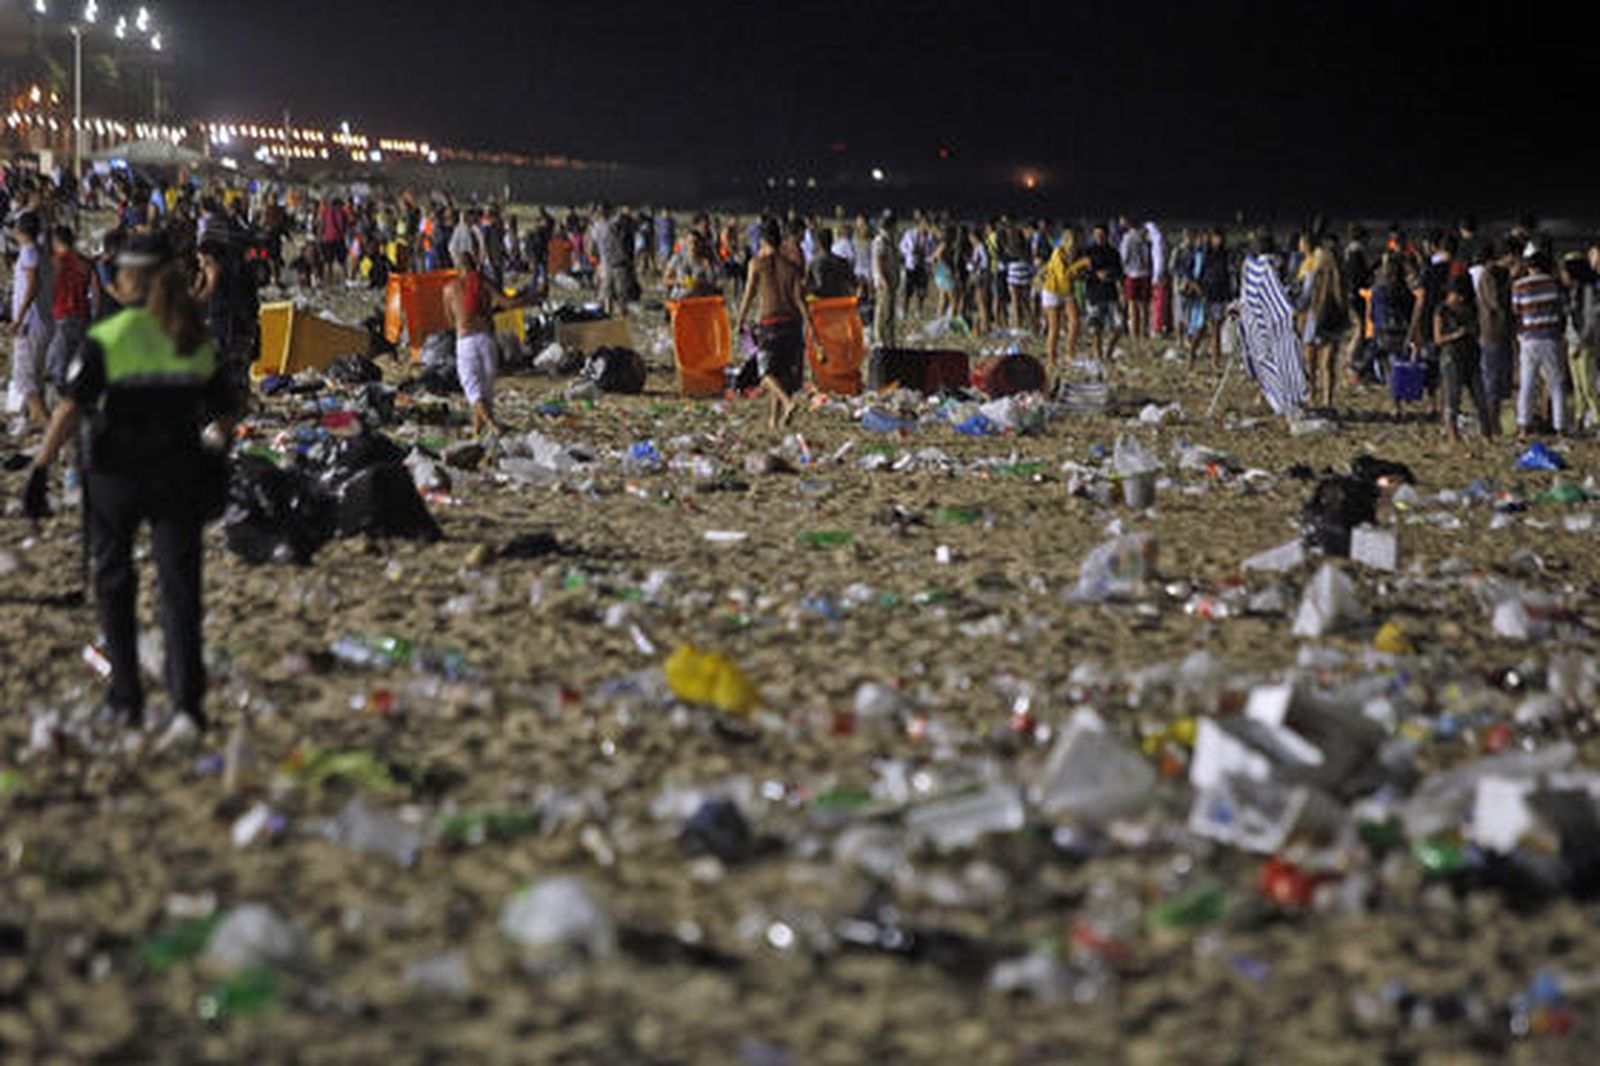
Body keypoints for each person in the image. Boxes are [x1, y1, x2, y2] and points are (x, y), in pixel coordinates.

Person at [23, 233, 237, 735]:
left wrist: (40, 466)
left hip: (116, 478)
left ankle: (127, 700)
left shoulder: (110, 335)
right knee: (180, 590)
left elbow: (72, 408)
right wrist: (214, 450)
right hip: (179, 476)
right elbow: (227, 411)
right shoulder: (191, 335)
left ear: (130, 281)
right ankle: (187, 704)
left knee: (115, 583)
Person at [734, 218, 820, 430]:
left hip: (770, 324)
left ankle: (787, 402)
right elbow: (800, 299)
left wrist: (740, 321)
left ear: (763, 240)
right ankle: (774, 420)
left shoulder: (757, 264)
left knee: (764, 374)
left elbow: (748, 295)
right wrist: (812, 328)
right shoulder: (791, 267)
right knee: (781, 373)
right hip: (792, 325)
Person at [445, 250, 531, 437]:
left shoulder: (450, 289)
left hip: (466, 341)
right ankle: (477, 433)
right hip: (487, 340)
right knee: (485, 392)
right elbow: (507, 303)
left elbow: (451, 321)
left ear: (458, 268)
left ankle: (492, 425)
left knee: (473, 391)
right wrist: (531, 298)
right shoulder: (484, 283)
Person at [1511, 249, 1567, 436]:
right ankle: (1560, 427)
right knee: (1555, 384)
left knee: (1527, 384)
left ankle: (1523, 426)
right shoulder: (1554, 284)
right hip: (1550, 338)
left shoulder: (1519, 285)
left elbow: (1516, 312)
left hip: (1528, 339)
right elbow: (1561, 310)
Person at [1434, 274, 1492, 447]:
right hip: (1451, 356)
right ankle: (1452, 433)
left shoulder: (1471, 308)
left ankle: (1486, 434)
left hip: (1471, 356)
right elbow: (1438, 338)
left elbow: (1479, 329)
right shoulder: (1442, 310)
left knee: (1480, 398)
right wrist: (1456, 335)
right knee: (1452, 398)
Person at [7, 212, 53, 432]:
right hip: (42, 322)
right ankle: (34, 421)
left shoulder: (29, 253)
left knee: (25, 381)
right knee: (35, 378)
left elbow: (32, 286)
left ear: (20, 230)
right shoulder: (42, 252)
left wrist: (19, 318)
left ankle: (52, 430)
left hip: (30, 324)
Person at [46, 224, 96, 397]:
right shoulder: (85, 263)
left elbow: (49, 291)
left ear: (55, 241)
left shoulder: (54, 263)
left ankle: (65, 403)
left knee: (60, 367)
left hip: (62, 315)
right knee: (78, 362)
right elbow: (96, 292)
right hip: (83, 314)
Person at [1302, 238, 1348, 410]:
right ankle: (1327, 400)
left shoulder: (1315, 274)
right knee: (1327, 364)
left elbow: (1304, 298)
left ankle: (1312, 396)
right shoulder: (1340, 277)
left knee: (1312, 363)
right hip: (1332, 321)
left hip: (1315, 320)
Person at [1036, 227, 1089, 374]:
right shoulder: (1058, 253)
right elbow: (1063, 275)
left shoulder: (1077, 254)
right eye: (1078, 239)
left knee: (1075, 321)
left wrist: (1083, 271)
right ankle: (1051, 359)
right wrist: (1080, 265)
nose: (1081, 242)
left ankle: (1069, 353)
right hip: (1052, 289)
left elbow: (1074, 275)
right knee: (1055, 327)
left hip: (1066, 290)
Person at [1084, 224, 1125, 361]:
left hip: (1111, 293)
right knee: (1096, 328)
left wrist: (1110, 274)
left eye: (1102, 235)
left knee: (1119, 326)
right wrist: (1096, 274)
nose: (1099, 238)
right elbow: (1082, 273)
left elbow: (1120, 272)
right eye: (1097, 235)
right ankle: (1099, 356)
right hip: (1094, 293)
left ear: (1107, 236)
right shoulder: (1088, 252)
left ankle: (1108, 352)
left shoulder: (1114, 252)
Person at [870, 213, 900, 348]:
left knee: (889, 314)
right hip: (884, 284)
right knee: (883, 313)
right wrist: (884, 281)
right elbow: (878, 262)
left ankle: (889, 340)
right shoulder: (880, 241)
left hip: (891, 282)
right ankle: (881, 340)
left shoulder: (889, 240)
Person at [1119, 222, 1153, 340]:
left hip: (1132, 274)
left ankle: (1135, 333)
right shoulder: (1143, 238)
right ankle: (1143, 332)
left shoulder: (1127, 238)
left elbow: (1123, 257)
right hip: (1142, 273)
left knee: (1133, 306)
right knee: (1143, 306)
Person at [806, 227, 856, 299]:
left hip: (820, 300)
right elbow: (851, 281)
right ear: (832, 242)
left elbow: (807, 283)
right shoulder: (842, 262)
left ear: (818, 242)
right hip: (838, 299)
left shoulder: (813, 262)